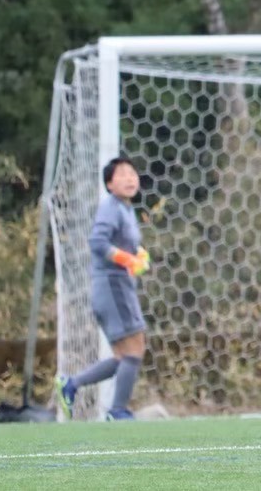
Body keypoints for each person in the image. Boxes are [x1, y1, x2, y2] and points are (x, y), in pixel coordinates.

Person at [58, 156, 151, 420]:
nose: (129, 178)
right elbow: (98, 242)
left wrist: (139, 255)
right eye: (121, 174)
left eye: (132, 173)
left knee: (124, 355)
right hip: (113, 287)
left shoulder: (125, 209)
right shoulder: (111, 207)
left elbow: (124, 244)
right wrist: (127, 259)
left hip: (117, 287)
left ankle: (71, 384)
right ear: (109, 184)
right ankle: (117, 410)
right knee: (134, 349)